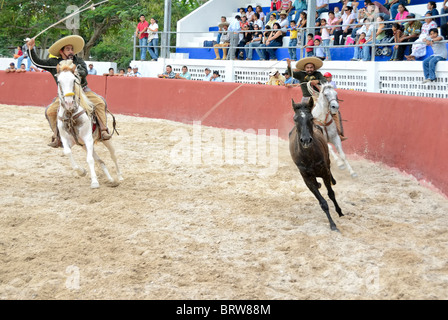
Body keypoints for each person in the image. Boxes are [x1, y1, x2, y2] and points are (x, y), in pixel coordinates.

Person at [27, 35, 112, 147]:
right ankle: (57, 136)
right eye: (68, 49)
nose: (71, 51)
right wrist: (31, 49)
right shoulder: (54, 63)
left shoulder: (78, 60)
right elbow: (37, 62)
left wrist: (76, 70)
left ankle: (103, 130)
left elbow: (84, 72)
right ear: (61, 51)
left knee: (100, 103)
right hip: (64, 95)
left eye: (72, 49)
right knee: (50, 111)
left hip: (83, 91)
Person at [287, 57, 347, 140]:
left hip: (318, 98)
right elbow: (291, 74)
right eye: (307, 68)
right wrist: (289, 65)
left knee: (335, 113)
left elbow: (325, 81)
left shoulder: (318, 74)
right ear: (305, 68)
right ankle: (297, 132)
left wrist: (317, 81)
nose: (309, 69)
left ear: (314, 68)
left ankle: (338, 134)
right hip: (306, 99)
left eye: (311, 67)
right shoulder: (301, 74)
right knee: (300, 116)